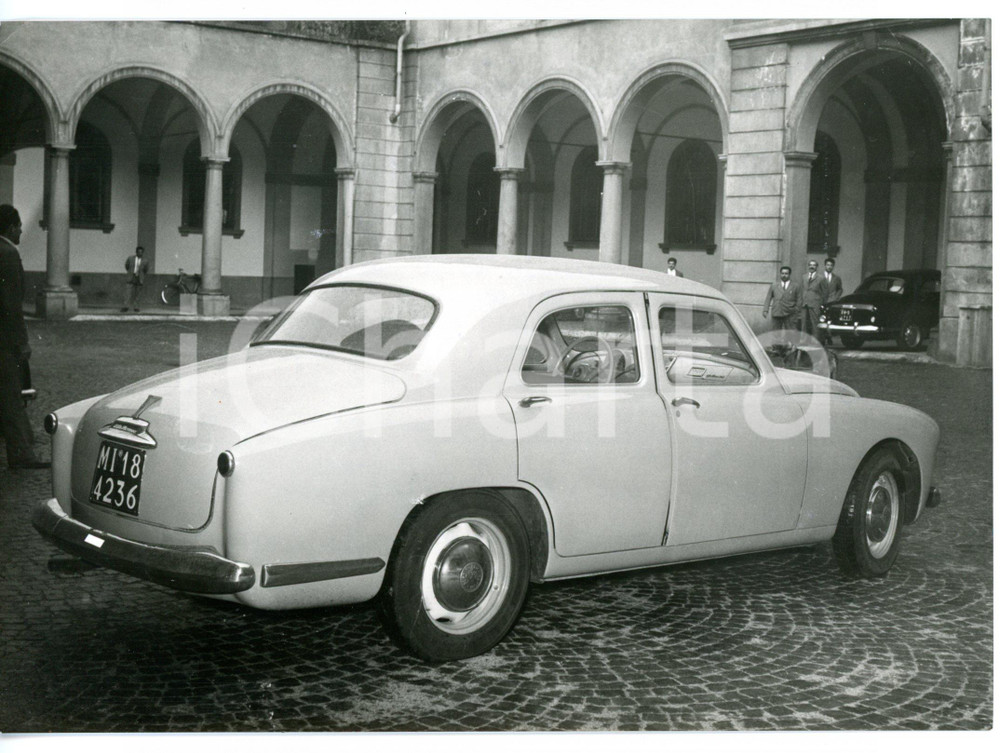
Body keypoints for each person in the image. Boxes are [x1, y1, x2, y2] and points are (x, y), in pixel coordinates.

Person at [0, 204, 49, 470]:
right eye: (19, 226)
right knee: (11, 397)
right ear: (10, 227)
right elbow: (11, 305)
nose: (20, 231)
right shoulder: (8, 253)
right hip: (4, 341)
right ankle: (21, 455)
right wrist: (22, 342)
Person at [762, 265, 802, 331]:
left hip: (790, 313)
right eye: (782, 273)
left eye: (786, 273)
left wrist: (796, 310)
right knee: (776, 333)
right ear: (780, 274)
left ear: (789, 274)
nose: (784, 275)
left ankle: (790, 341)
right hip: (777, 312)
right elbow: (768, 298)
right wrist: (765, 310)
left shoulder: (795, 286)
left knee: (791, 332)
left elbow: (799, 300)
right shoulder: (774, 285)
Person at [800, 259, 824, 337]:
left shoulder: (821, 278)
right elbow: (802, 289)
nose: (812, 267)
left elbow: (825, 292)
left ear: (817, 267)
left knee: (815, 323)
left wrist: (820, 303)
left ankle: (815, 341)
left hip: (815, 304)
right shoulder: (804, 276)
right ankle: (803, 341)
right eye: (810, 265)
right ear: (808, 266)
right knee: (804, 323)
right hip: (805, 303)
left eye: (814, 265)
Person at [122, 245, 146, 312]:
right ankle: (126, 306)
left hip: (139, 277)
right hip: (131, 276)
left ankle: (136, 307)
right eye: (139, 252)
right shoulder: (130, 258)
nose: (140, 254)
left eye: (141, 252)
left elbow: (146, 269)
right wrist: (130, 272)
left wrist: (141, 275)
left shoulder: (145, 261)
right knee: (128, 292)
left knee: (138, 293)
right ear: (136, 252)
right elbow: (127, 266)